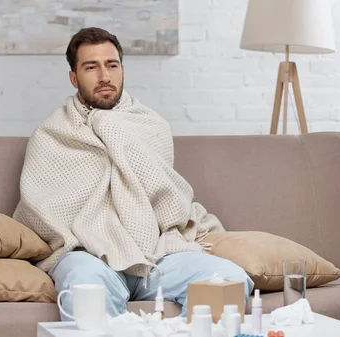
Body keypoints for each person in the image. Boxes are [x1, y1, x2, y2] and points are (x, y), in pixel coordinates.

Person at [13, 27, 254, 321]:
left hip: (155, 259)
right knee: (84, 282)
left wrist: (111, 128)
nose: (104, 76)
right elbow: (41, 211)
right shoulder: (51, 135)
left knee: (229, 278)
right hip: (91, 258)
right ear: (74, 78)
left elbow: (168, 200)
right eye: (91, 67)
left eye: (112, 65)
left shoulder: (151, 125)